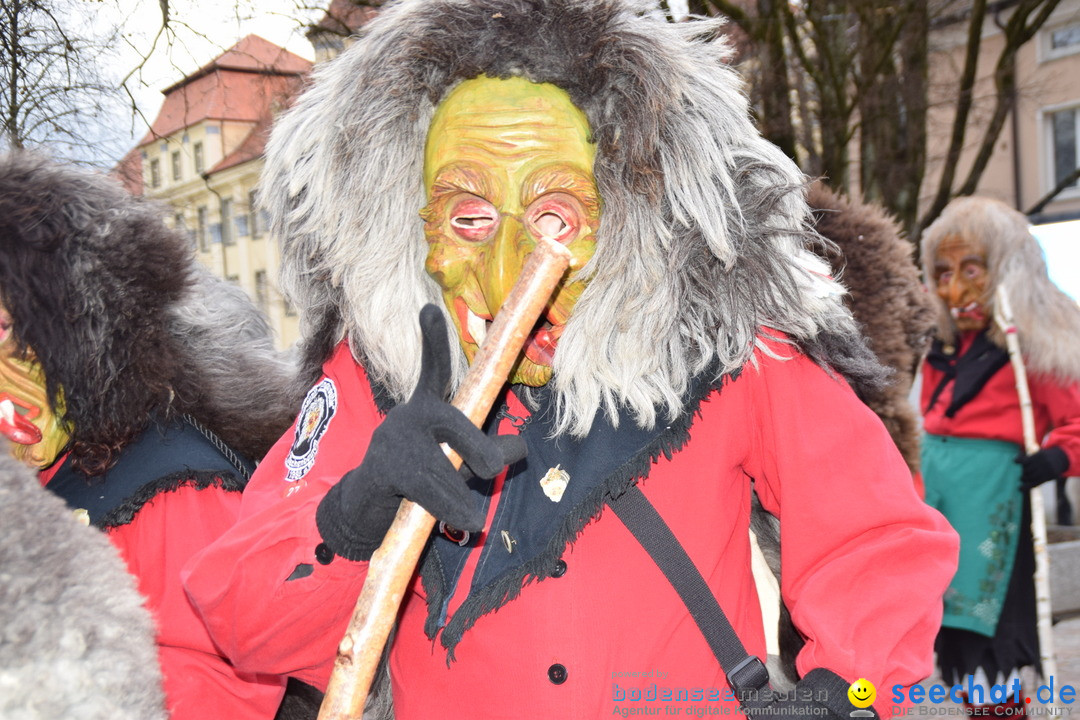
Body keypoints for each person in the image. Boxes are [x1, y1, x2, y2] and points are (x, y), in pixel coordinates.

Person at [183, 1, 959, 718]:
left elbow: (879, 540)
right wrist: (351, 515)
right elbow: (246, 626)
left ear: (621, 209)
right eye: (471, 217)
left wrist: (848, 693)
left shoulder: (727, 343)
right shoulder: (378, 374)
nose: (518, 265)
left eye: (557, 215)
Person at [0, 152, 299, 720]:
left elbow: (225, 688)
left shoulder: (174, 482)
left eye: (3, 330)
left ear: (76, 329)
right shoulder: (40, 469)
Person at [919, 196, 1080, 710]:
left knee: (992, 646)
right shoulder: (938, 345)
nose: (955, 289)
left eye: (971, 270)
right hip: (938, 508)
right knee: (955, 644)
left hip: (994, 514)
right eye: (942, 273)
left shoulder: (1030, 345)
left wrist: (1059, 456)